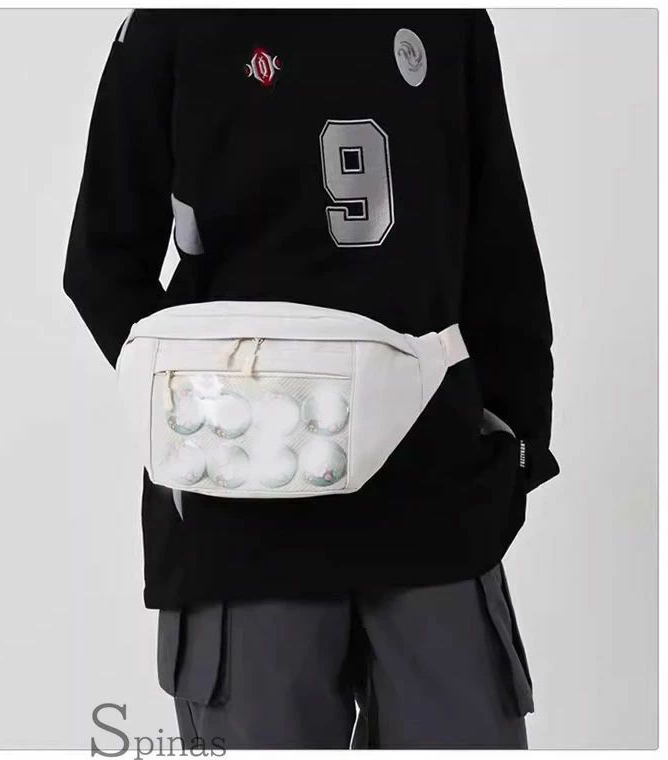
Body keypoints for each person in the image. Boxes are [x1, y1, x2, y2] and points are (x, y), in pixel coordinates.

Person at [64, 9, 559, 749]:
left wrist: (515, 452)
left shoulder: (448, 20)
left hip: (434, 504)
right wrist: (202, 412)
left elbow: (499, 253)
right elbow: (101, 262)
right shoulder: (175, 23)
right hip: (241, 520)